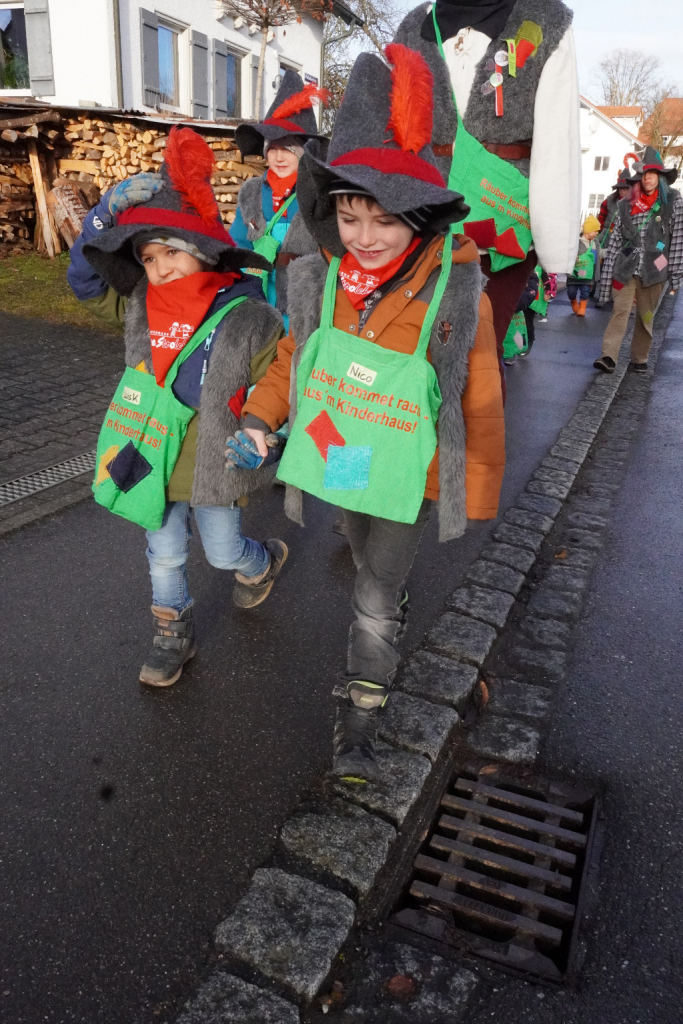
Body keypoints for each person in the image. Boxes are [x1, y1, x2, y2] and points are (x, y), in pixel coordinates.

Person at [227, 44, 506, 782]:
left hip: (410, 471)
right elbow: (295, 358)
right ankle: (385, 592)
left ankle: (360, 714)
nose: (364, 237)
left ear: (419, 217)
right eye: (350, 217)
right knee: (357, 547)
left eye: (383, 220)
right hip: (341, 454)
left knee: (374, 597)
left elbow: (478, 395)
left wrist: (470, 489)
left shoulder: (457, 293)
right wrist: (259, 419)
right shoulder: (321, 280)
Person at [67, 128, 287, 687]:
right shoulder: (143, 303)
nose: (161, 267)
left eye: (172, 251)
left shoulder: (250, 315)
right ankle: (172, 632)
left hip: (214, 462)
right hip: (148, 456)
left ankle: (261, 562)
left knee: (223, 552)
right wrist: (102, 216)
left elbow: (278, 386)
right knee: (163, 554)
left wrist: (269, 437)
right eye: (148, 256)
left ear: (204, 249)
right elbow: (84, 281)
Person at [393, 0, 581, 367]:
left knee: (480, 354)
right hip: (421, 215)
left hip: (502, 220)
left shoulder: (544, 19)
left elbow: (557, 138)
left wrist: (555, 246)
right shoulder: (414, 27)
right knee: (411, 347)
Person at [230, 71, 327, 328]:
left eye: (289, 149)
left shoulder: (318, 192)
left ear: (305, 151)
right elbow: (238, 243)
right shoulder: (251, 192)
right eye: (272, 148)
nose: (279, 157)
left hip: (303, 304)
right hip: (256, 297)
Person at [594, 147, 683, 375]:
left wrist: (675, 276)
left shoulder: (673, 201)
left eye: (653, 173)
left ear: (660, 176)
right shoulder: (625, 204)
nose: (648, 178)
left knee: (646, 315)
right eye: (644, 173)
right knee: (620, 311)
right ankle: (608, 356)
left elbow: (677, 239)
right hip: (626, 266)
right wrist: (605, 280)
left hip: (656, 267)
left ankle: (640, 357)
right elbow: (615, 242)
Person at [567, 215, 600, 317]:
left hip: (587, 274)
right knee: (571, 292)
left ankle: (582, 308)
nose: (597, 233)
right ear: (588, 231)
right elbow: (569, 253)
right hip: (574, 274)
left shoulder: (595, 243)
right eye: (595, 230)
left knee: (585, 292)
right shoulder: (576, 242)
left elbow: (598, 256)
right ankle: (573, 301)